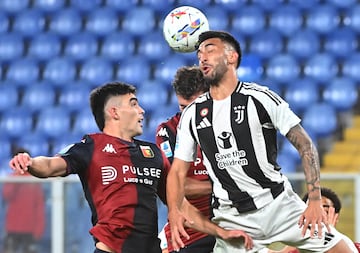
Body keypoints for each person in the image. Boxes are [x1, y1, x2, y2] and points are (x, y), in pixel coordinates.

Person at [166, 30, 354, 253]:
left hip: (280, 207)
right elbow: (177, 172)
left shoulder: (261, 98)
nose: (202, 57)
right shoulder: (192, 115)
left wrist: (314, 200)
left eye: (210, 50)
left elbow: (305, 145)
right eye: (199, 54)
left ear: (231, 57)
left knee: (345, 250)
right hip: (231, 217)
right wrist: (174, 211)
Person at [9, 81, 253, 253]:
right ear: (114, 112)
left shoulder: (152, 153)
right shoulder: (91, 145)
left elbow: (180, 205)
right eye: (134, 104)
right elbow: (51, 165)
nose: (141, 110)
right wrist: (30, 163)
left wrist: (221, 233)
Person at [156, 66, 215, 253]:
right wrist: (221, 187)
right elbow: (176, 187)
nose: (190, 114)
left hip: (231, 221)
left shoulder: (228, 126)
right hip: (190, 231)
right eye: (183, 107)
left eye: (196, 106)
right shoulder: (168, 131)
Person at [266, 188, 360, 253]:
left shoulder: (355, 248)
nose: (318, 218)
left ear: (335, 217)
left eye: (325, 211)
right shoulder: (290, 247)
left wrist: (329, 237)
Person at [2, 147, 46, 253]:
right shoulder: (11, 178)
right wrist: (17, 175)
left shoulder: (34, 182)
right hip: (13, 228)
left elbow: (39, 206)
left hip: (30, 229)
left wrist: (38, 230)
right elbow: (6, 195)